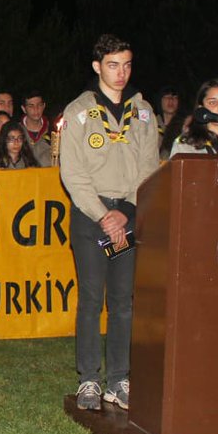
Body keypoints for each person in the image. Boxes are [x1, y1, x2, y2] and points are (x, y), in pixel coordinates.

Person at [59, 34, 160, 411]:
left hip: (128, 216)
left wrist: (128, 210)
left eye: (127, 64)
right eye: (113, 65)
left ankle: (119, 380)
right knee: (91, 299)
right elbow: (71, 173)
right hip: (91, 217)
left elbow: (150, 166)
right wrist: (104, 214)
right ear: (97, 66)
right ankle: (89, 379)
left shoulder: (143, 111)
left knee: (122, 302)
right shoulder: (79, 112)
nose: (121, 73)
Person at [20, 89, 51, 164]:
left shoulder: (53, 130)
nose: (36, 109)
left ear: (44, 106)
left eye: (39, 105)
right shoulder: (17, 131)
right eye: (31, 106)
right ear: (24, 109)